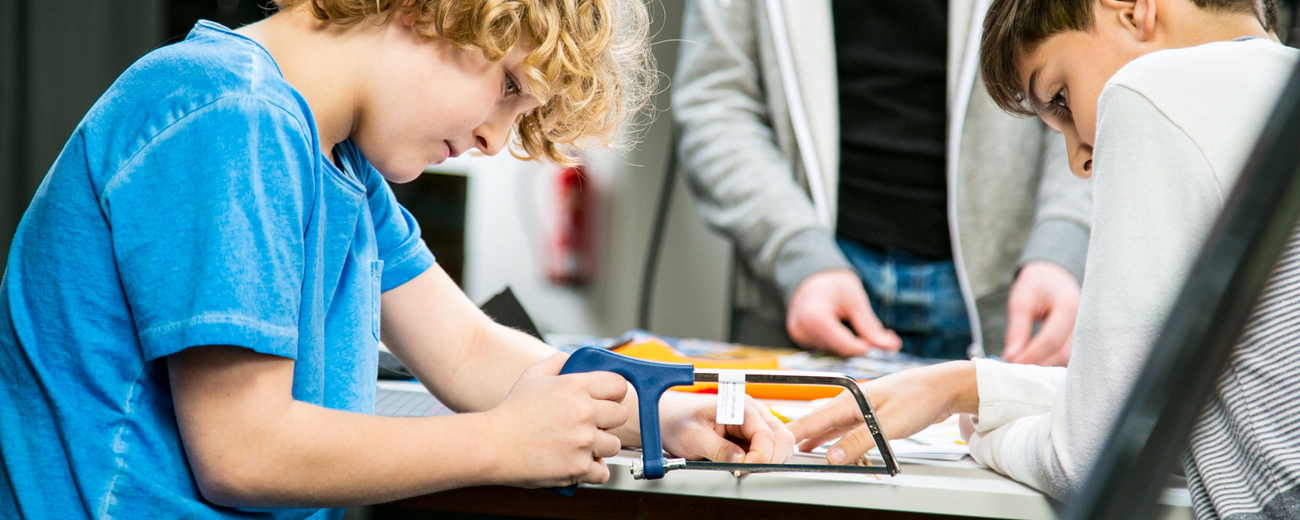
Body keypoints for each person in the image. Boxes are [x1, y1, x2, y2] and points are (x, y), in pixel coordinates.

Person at [0, 1, 796, 518]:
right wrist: (500, 443)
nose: (494, 137)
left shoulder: (340, 163)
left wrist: (655, 416)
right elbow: (241, 451)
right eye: (509, 85)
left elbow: (472, 350)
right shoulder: (227, 113)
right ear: (429, 9)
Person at [787, 0, 1298, 515]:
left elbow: (1092, 455)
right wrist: (968, 387)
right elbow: (1158, 398)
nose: (1079, 160)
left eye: (1060, 97)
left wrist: (981, 437)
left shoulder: (1147, 91)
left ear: (1131, 8)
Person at [672, 0, 1094, 364]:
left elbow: (1090, 67)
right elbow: (715, 101)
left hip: (1009, 296)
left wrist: (1060, 247)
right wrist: (797, 253)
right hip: (805, 290)